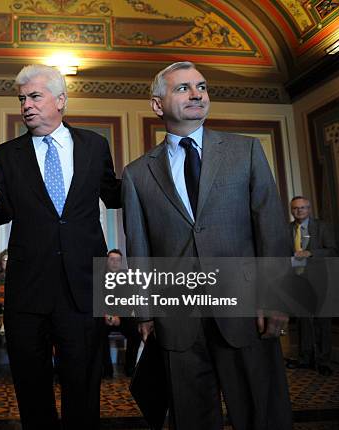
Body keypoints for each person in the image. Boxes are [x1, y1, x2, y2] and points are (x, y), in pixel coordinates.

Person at [122, 61, 292, 429]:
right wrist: (144, 313)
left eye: (201, 86)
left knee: (262, 414)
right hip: (178, 320)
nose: (196, 93)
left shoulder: (245, 152)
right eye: (182, 88)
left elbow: (272, 229)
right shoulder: (137, 174)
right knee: (191, 419)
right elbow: (139, 249)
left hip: (247, 312)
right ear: (157, 104)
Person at [0, 64, 120, 429]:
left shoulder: (95, 145)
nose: (26, 105)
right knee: (32, 392)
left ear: (61, 100)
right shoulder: (4, 155)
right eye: (21, 99)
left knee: (84, 390)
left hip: (83, 289)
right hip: (28, 293)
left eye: (34, 96)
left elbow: (116, 195)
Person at [286, 196, 338, 376]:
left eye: (302, 208)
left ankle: (323, 361)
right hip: (298, 281)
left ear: (309, 209)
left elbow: (332, 250)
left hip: (320, 280)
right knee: (303, 321)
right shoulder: (288, 229)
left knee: (322, 321)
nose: (299, 211)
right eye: (295, 208)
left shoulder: (322, 227)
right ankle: (304, 359)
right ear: (291, 210)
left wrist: (311, 253)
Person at [102, 249, 141, 377]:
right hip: (104, 317)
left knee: (135, 331)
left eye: (118, 260)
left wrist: (119, 316)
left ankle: (130, 368)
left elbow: (129, 302)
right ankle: (106, 370)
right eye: (111, 259)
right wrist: (106, 315)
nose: (114, 262)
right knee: (97, 332)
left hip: (122, 317)